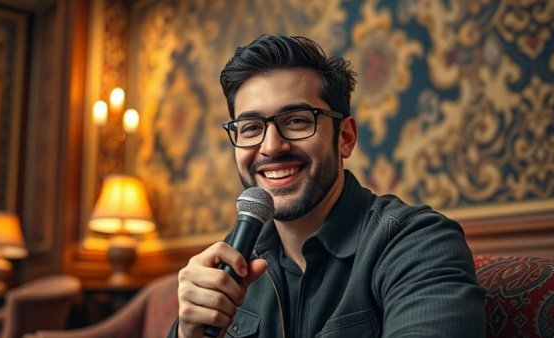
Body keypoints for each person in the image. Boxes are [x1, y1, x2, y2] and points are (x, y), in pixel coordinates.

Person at [169, 34, 486, 338]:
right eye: (251, 128)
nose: (270, 147)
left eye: (296, 121)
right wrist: (187, 334)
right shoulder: (227, 266)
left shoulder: (417, 243)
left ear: (345, 138)